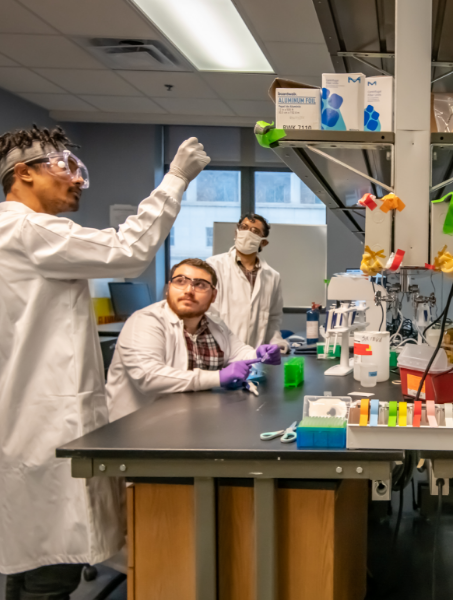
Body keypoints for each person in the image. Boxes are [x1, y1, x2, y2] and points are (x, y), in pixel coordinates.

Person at [0, 125, 209, 598]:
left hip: (24, 422)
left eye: (80, 171)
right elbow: (128, 250)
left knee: (29, 561)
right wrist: (175, 178)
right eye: (64, 168)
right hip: (43, 426)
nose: (75, 180)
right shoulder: (27, 228)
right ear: (23, 174)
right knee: (50, 570)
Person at [106, 259, 282, 422]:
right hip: (139, 429)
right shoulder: (145, 321)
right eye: (180, 281)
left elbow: (239, 352)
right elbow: (148, 377)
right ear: (168, 288)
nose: (188, 290)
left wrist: (259, 354)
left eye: (200, 285)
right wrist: (218, 377)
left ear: (213, 296)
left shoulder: (214, 324)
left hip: (190, 420)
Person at [206, 213, 288, 353]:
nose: (247, 233)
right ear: (236, 232)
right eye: (244, 227)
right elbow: (207, 313)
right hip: (220, 353)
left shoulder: (272, 276)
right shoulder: (213, 266)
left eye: (255, 231)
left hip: (255, 357)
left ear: (263, 242)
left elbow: (273, 319)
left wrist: (276, 342)